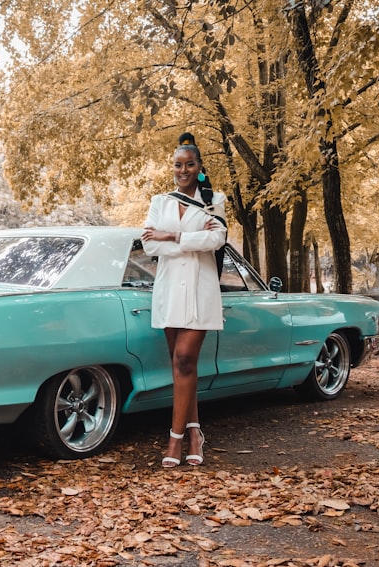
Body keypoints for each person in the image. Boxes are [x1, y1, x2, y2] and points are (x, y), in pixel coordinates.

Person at [141, 132, 227, 467]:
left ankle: (174, 440)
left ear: (199, 167)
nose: (183, 170)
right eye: (178, 164)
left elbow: (217, 238)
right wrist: (192, 238)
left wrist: (172, 235)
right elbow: (149, 245)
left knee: (185, 360)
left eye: (189, 164)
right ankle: (195, 433)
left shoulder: (212, 200)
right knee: (181, 367)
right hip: (167, 290)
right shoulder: (159, 201)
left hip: (200, 289)